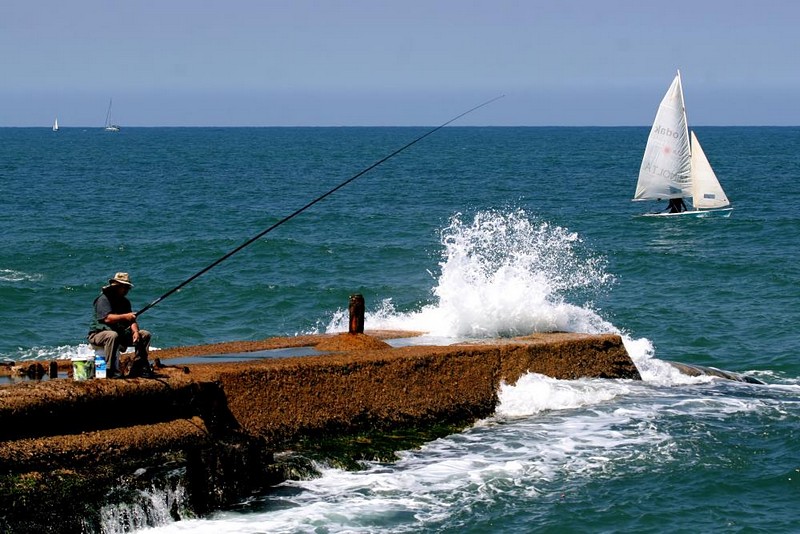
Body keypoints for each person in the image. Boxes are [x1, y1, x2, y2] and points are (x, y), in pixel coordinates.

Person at [87, 272, 154, 378]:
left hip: (120, 334)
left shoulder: (125, 302)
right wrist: (125, 316)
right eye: (125, 287)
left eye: (128, 288)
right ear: (117, 286)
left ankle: (138, 367)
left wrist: (135, 331)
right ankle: (110, 369)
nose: (127, 290)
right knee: (112, 335)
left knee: (145, 335)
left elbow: (131, 320)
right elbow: (107, 318)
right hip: (98, 334)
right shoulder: (103, 299)